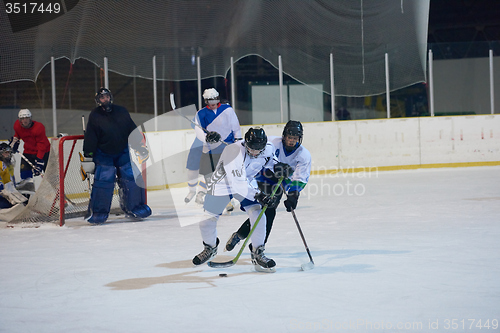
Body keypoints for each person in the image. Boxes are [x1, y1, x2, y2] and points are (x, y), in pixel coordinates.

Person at [192, 127, 292, 272]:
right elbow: (238, 184)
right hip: (222, 184)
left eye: (258, 149)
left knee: (258, 214)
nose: (254, 152)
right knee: (207, 220)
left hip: (247, 181)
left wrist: (278, 167)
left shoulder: (268, 148)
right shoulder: (233, 152)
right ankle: (210, 247)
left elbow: (270, 161)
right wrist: (259, 195)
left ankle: (258, 252)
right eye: (251, 149)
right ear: (246, 143)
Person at [225, 120, 311, 251]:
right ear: (284, 136)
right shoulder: (272, 142)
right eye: (289, 137)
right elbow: (253, 149)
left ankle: (248, 240)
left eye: (295, 138)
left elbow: (300, 177)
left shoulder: (303, 155)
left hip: (280, 182)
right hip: (263, 177)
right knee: (264, 208)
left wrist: (294, 195)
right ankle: (249, 241)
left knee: (269, 212)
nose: (292, 141)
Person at [81, 87, 151, 224]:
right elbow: (91, 136)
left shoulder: (121, 111)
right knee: (104, 181)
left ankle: (135, 208)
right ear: (98, 100)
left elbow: (131, 130)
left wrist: (139, 146)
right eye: (102, 98)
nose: (105, 99)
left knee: (130, 178)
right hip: (103, 154)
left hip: (122, 152)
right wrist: (88, 156)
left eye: (106, 96)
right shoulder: (95, 115)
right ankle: (98, 212)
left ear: (110, 97)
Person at [184, 88, 241, 205]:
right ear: (206, 101)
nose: (213, 105)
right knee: (211, 175)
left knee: (227, 173)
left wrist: (237, 140)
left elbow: (235, 126)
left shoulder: (228, 110)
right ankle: (208, 196)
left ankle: (227, 198)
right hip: (210, 150)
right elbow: (199, 132)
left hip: (226, 147)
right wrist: (207, 138)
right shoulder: (200, 113)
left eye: (215, 101)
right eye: (210, 102)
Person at [11, 109, 51, 192]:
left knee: (50, 177)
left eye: (26, 118)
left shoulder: (38, 127)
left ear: (30, 118)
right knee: (25, 177)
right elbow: (17, 135)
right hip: (28, 152)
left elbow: (42, 146)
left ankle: (59, 197)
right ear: (19, 120)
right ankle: (27, 198)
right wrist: (15, 142)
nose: (24, 121)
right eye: (22, 118)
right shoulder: (17, 125)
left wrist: (39, 162)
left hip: (44, 153)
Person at [0, 143, 28, 221]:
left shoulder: (7, 165)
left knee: (22, 201)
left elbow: (8, 182)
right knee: (13, 206)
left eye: (9, 153)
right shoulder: (1, 165)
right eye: (6, 153)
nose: (8, 155)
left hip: (4, 194)